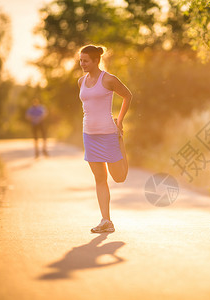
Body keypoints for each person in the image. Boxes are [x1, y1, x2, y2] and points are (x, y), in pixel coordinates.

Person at [78, 45, 132, 233]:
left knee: (119, 177)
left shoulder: (108, 79)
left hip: (108, 134)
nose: (82, 63)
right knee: (100, 178)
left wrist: (120, 122)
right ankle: (106, 220)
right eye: (81, 60)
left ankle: (121, 143)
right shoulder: (81, 82)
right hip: (89, 136)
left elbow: (127, 95)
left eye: (85, 60)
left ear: (95, 61)